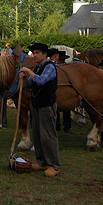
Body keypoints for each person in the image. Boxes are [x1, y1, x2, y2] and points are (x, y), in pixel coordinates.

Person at [19, 42, 60, 177]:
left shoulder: (50, 67)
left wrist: (28, 71)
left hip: (47, 105)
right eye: (34, 53)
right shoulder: (37, 68)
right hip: (37, 105)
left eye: (37, 53)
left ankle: (54, 165)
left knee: (48, 135)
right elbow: (29, 85)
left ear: (45, 54)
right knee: (37, 135)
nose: (34, 55)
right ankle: (42, 162)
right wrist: (24, 78)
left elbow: (41, 81)